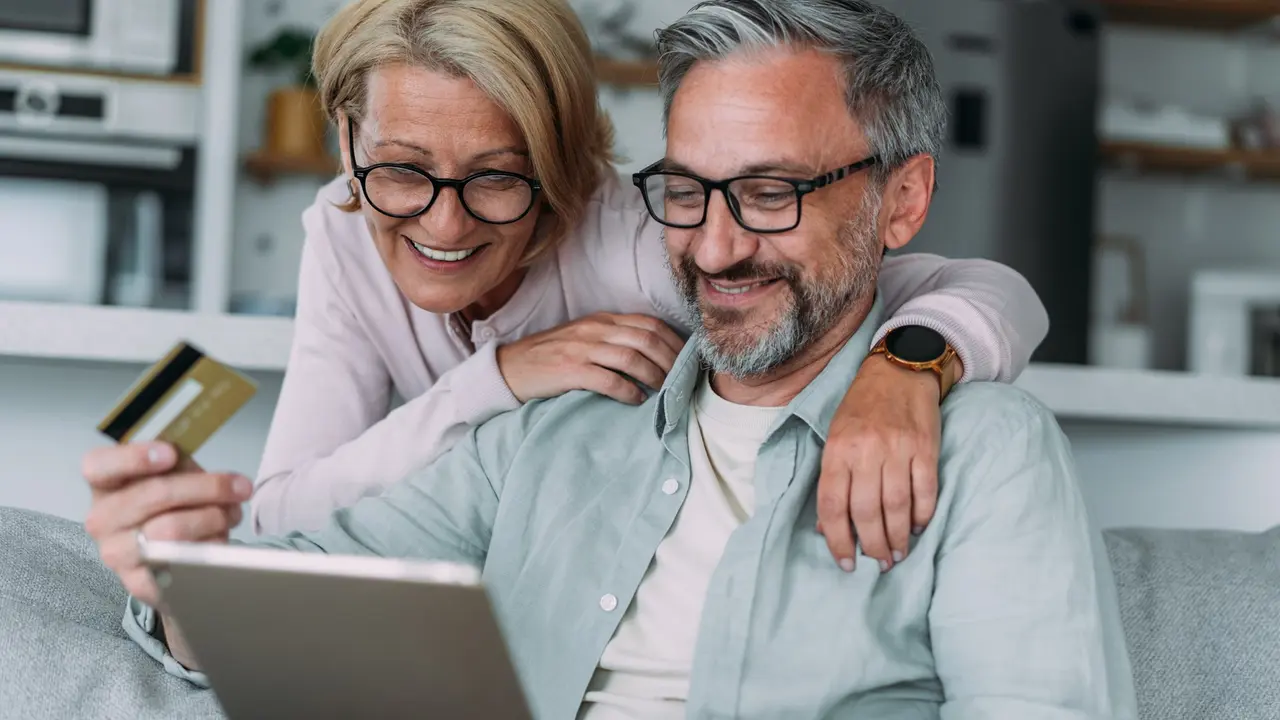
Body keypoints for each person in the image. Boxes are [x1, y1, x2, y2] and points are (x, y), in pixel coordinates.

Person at [82, 1, 1136, 717]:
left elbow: (981, 293)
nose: (714, 246)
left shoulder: (984, 454)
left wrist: (908, 368)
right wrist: (174, 573)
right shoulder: (543, 436)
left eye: (770, 194)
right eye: (687, 190)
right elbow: (295, 576)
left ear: (899, 202)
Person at [180, 0, 1050, 573]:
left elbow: (988, 288)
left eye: (496, 178)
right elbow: (278, 516)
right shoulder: (343, 230)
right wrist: (498, 379)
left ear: (558, 158)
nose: (442, 227)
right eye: (402, 172)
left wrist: (905, 369)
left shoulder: (638, 246)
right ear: (346, 144)